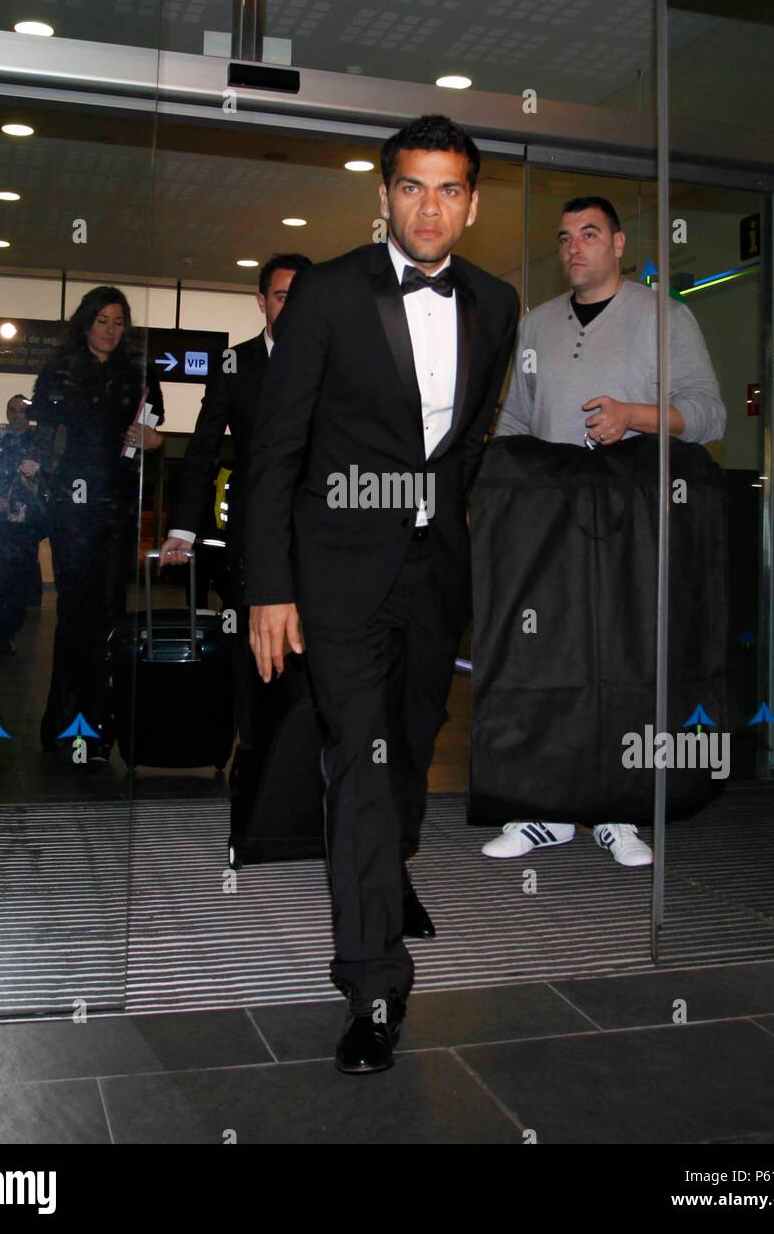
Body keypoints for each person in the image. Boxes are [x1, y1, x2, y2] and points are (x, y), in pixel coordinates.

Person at [244, 114, 518, 1074]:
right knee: (355, 760)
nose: (429, 206)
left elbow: (466, 436)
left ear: (471, 202)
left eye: (448, 188)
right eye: (411, 186)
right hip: (337, 571)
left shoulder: (497, 300)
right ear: (384, 195)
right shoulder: (324, 293)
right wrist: (269, 587)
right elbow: (274, 445)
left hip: (434, 570)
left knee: (408, 743)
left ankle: (386, 868)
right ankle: (370, 980)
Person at [480, 195, 725, 866]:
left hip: (635, 523)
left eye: (588, 234)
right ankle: (543, 812)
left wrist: (634, 415)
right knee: (544, 659)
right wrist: (486, 496)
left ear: (618, 244)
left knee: (624, 662)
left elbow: (708, 415)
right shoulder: (535, 326)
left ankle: (617, 812)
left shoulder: (664, 316)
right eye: (562, 238)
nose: (573, 248)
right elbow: (514, 425)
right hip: (549, 525)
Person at [159, 253, 312, 752]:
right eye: (282, 296)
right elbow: (202, 450)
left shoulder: (331, 360)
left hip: (318, 531)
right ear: (262, 301)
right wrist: (183, 528)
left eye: (300, 296)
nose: (290, 307)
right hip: (253, 533)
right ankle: (257, 755)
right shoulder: (234, 364)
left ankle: (302, 760)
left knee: (311, 652)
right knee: (253, 647)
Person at [26, 287, 163, 762]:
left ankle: (100, 733)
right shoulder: (59, 372)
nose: (110, 330)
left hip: (119, 505)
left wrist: (154, 439)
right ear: (86, 322)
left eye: (118, 322)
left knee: (109, 616)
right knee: (75, 616)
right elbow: (40, 438)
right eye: (102, 320)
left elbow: (155, 435)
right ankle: (65, 727)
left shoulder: (138, 375)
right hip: (73, 508)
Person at [0, 394, 43, 657]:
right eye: (12, 410)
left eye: (21, 411)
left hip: (24, 527)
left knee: (17, 585)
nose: (16, 416)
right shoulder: (0, 442)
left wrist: (16, 504)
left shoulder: (39, 443)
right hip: (0, 525)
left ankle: (8, 635)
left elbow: (43, 485)